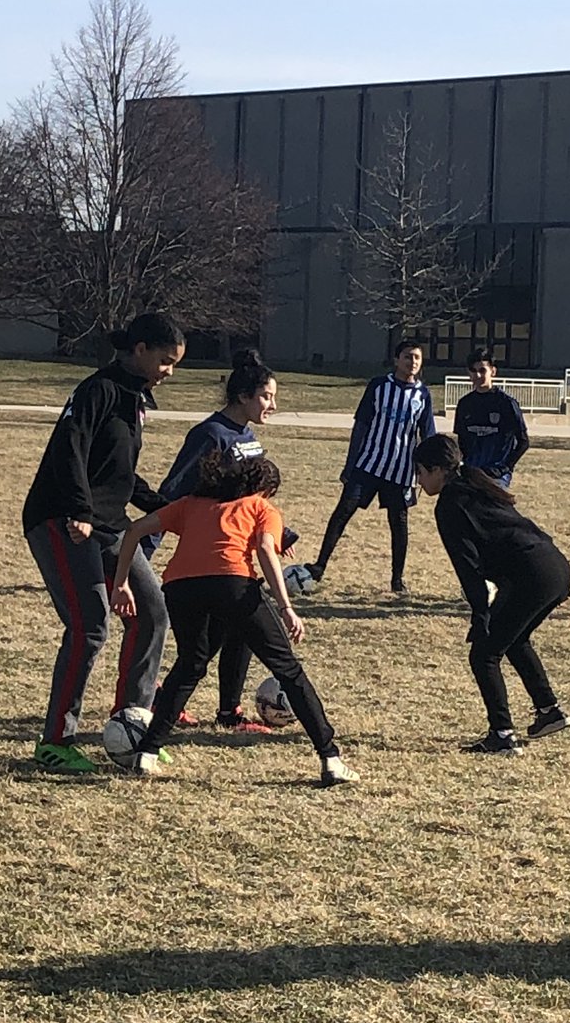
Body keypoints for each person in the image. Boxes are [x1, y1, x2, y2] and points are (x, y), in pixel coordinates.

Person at [110, 451, 358, 787]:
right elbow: (266, 549)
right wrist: (286, 607)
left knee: (189, 666)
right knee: (287, 669)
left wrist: (122, 582)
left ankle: (147, 753)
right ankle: (331, 758)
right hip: (233, 584)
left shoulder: (193, 504)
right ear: (265, 490)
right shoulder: (261, 507)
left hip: (181, 588)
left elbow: (136, 529)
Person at [23, 312, 186, 772]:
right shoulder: (98, 390)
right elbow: (69, 448)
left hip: (110, 524)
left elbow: (117, 470)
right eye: (165, 361)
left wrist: (164, 508)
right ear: (139, 350)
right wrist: (78, 511)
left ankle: (133, 724)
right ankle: (56, 741)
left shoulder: (136, 398)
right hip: (62, 519)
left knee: (153, 612)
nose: (169, 371)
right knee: (90, 624)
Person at [144, 348, 296, 734]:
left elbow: (251, 493)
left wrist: (280, 532)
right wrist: (147, 547)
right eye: (266, 396)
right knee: (205, 643)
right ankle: (169, 702)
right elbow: (173, 491)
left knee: (234, 633)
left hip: (240, 556)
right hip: (211, 556)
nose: (273, 405)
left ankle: (227, 709)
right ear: (243, 396)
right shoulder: (209, 434)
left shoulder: (247, 435)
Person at [414, 434, 570, 756]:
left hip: (532, 576)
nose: (418, 480)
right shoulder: (473, 484)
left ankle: (502, 734)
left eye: (420, 472)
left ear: (437, 470)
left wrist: (480, 613)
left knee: (484, 655)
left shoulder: (450, 504)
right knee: (513, 639)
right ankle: (548, 711)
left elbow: (467, 566)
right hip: (553, 566)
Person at [305, 338, 436, 593]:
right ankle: (319, 566)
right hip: (368, 465)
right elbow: (361, 425)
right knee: (342, 512)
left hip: (399, 472)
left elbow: (427, 435)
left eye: (417, 358)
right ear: (397, 359)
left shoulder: (423, 394)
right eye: (408, 356)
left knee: (399, 524)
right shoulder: (379, 386)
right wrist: (350, 464)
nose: (412, 362)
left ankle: (397, 581)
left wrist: (425, 470)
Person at [453, 346, 529, 487]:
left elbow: (523, 441)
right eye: (473, 371)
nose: (478, 376)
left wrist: (505, 467)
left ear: (493, 371)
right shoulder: (465, 404)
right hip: (472, 473)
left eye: (482, 370)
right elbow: (462, 441)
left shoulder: (506, 404)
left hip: (496, 476)